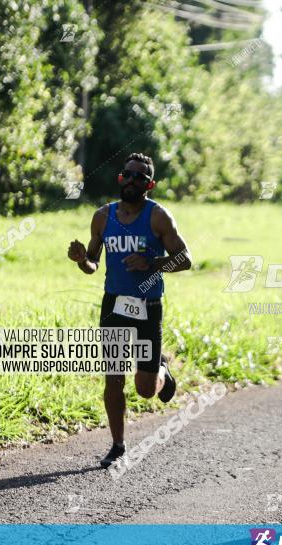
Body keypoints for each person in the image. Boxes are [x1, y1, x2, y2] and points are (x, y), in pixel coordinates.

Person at [67, 153, 192, 469]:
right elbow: (93, 263)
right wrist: (83, 259)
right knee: (113, 377)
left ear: (149, 184)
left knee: (146, 390)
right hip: (114, 306)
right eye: (128, 174)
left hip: (148, 307)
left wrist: (154, 263)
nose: (132, 180)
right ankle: (118, 445)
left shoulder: (158, 217)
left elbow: (186, 259)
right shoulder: (102, 217)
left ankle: (161, 371)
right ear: (120, 179)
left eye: (140, 176)